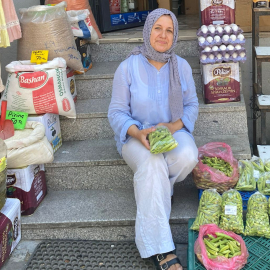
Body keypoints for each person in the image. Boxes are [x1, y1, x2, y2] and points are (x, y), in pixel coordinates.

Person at [108, 8, 199, 270]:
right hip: (136, 135)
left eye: (169, 30)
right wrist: (137, 132)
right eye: (157, 28)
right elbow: (116, 112)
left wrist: (173, 125)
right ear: (148, 31)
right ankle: (161, 250)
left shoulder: (180, 66)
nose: (163, 35)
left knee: (188, 155)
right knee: (151, 164)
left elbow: (192, 105)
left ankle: (158, 190)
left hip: (172, 131)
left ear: (175, 35)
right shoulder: (128, 67)